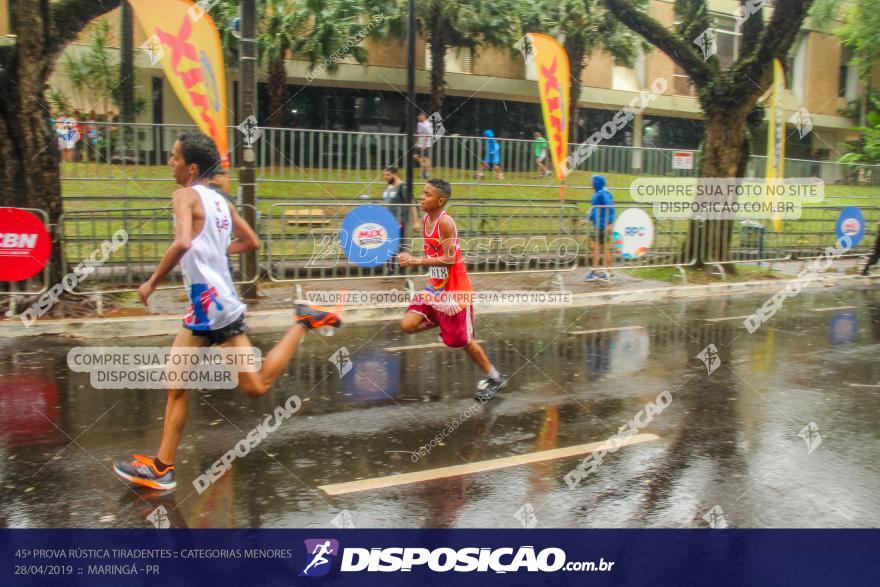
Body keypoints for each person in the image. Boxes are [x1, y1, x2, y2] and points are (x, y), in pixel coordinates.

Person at [112, 132, 342, 491]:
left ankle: (302, 321)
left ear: (190, 167)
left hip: (211, 308)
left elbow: (184, 241)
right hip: (212, 304)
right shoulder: (220, 201)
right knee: (196, 384)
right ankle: (162, 467)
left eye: (174, 158)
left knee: (225, 385)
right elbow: (252, 242)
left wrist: (153, 281)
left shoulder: (184, 195)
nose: (169, 163)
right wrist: (215, 251)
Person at [398, 179, 508, 401]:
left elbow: (449, 260)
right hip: (435, 288)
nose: (421, 196)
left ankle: (495, 377)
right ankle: (443, 320)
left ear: (440, 200)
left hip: (455, 292)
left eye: (427, 194)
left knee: (461, 341)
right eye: (422, 192)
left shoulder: (445, 223)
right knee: (407, 325)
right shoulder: (428, 218)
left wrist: (415, 260)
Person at [382, 166, 419, 275]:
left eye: (388, 175)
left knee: (397, 246)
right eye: (385, 175)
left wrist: (415, 221)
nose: (385, 177)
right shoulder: (389, 186)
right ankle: (393, 270)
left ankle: (395, 270)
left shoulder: (403, 187)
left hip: (399, 222)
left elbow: (412, 203)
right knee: (391, 246)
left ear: (395, 174)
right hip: (389, 222)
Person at [585, 175, 615, 282]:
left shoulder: (603, 193)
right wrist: (588, 218)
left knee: (596, 248)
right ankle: (608, 273)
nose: (590, 183)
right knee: (600, 248)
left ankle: (595, 272)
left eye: (592, 181)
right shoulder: (599, 193)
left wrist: (610, 223)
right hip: (599, 225)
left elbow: (610, 208)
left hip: (602, 226)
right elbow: (595, 209)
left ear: (597, 183)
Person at [415, 112, 433, 179]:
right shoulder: (418, 124)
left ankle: (426, 173)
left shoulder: (427, 124)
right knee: (415, 156)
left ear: (424, 117)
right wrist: (416, 142)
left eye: (420, 117)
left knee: (426, 158)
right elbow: (418, 133)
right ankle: (425, 169)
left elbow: (428, 134)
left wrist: (425, 144)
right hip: (419, 143)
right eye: (418, 117)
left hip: (426, 144)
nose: (419, 118)